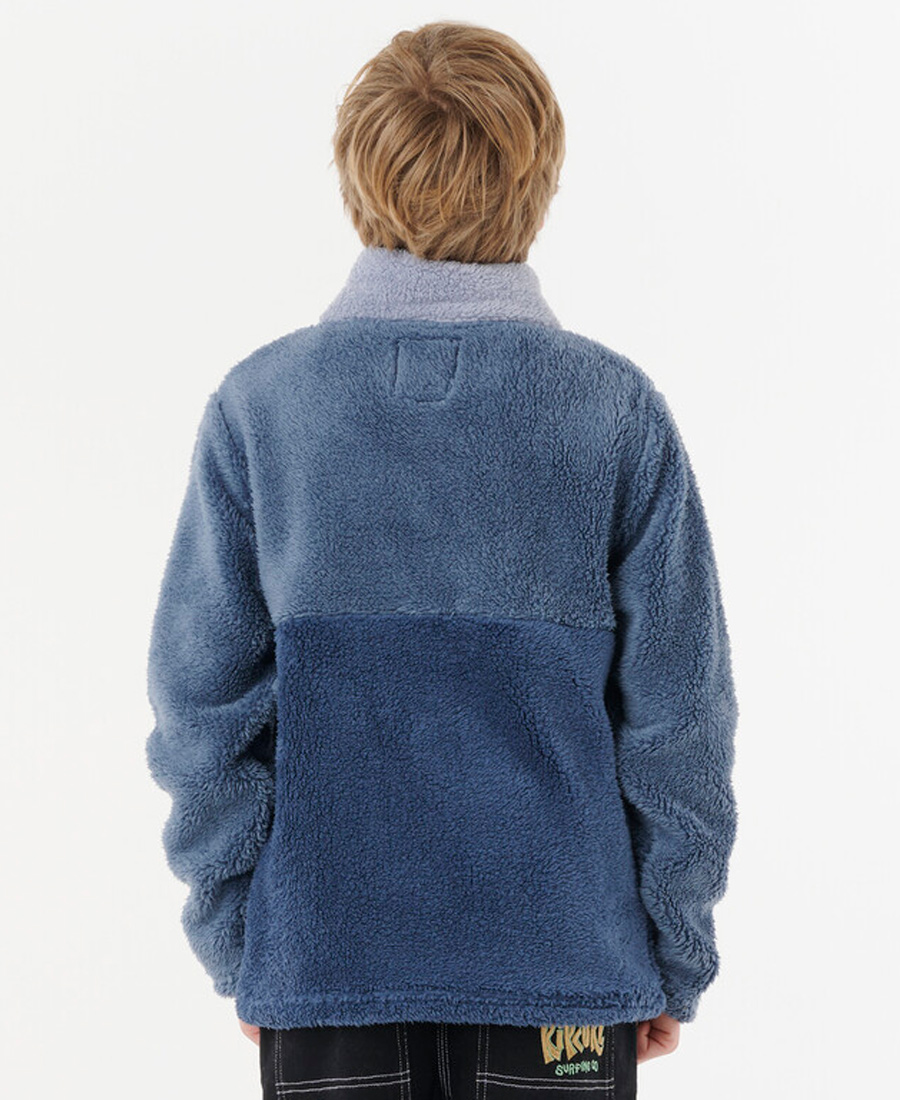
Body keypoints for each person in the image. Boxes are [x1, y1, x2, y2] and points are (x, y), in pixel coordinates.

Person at [145, 20, 739, 1100]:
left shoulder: (263, 409)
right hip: (568, 979)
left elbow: (200, 715)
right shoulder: (611, 412)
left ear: (356, 176)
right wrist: (672, 951)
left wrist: (249, 947)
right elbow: (680, 725)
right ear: (539, 179)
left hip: (327, 975)